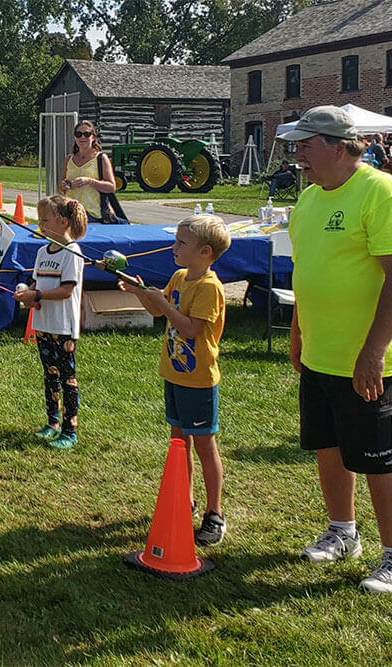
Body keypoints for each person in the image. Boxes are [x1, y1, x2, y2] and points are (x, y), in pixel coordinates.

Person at [279, 105, 392, 594]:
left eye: (306, 145)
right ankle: (343, 532)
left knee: (379, 459)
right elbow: (306, 273)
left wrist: (373, 353)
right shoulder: (310, 199)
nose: (297, 155)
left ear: (339, 148)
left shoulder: (381, 194)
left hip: (369, 359)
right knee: (329, 446)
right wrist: (299, 332)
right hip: (321, 354)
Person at [118, 214, 232, 546]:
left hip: (199, 380)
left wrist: (161, 304)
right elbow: (158, 311)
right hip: (174, 374)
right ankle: (184, 499)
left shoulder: (209, 287)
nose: (175, 247)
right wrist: (140, 292)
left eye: (182, 243)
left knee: (204, 446)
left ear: (205, 252)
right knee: (179, 443)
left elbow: (191, 328)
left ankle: (215, 513)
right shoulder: (180, 276)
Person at [14, 196, 88, 450]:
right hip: (43, 324)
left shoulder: (72, 252)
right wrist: (28, 294)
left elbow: (67, 290)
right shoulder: (41, 252)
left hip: (63, 327)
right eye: (40, 220)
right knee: (50, 375)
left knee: (67, 378)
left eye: (46, 220)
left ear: (64, 221)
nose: (42, 225)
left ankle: (70, 430)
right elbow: (37, 283)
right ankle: (52, 423)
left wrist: (39, 295)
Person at [58, 119, 125, 224]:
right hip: (70, 212)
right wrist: (65, 185)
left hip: (93, 215)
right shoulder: (69, 159)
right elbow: (61, 187)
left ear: (93, 137)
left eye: (87, 134)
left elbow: (112, 187)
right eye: (78, 134)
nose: (82, 137)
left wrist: (90, 181)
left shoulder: (101, 158)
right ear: (75, 137)